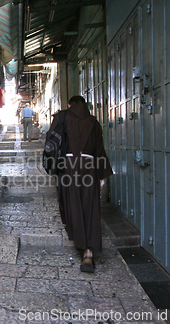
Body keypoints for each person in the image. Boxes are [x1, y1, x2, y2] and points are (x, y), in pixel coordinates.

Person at [55, 95, 113, 273]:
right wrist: (102, 177)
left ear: (69, 104)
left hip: (69, 166)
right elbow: (99, 150)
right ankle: (89, 253)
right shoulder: (94, 122)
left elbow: (52, 143)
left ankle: (79, 242)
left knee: (73, 204)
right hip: (90, 167)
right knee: (90, 207)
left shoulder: (62, 117)